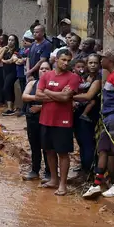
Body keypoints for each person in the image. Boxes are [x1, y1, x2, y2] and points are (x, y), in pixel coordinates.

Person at [36, 48, 82, 196]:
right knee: (49, 150)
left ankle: (63, 184)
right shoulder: (47, 75)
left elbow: (65, 98)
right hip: (45, 119)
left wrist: (48, 92)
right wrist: (58, 94)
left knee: (62, 153)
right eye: (63, 60)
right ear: (56, 59)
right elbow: (38, 95)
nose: (66, 63)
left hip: (63, 121)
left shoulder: (73, 77)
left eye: (68, 61)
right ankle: (54, 180)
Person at [72, 54, 101, 178]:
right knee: (80, 141)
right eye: (90, 63)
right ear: (87, 64)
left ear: (99, 64)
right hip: (78, 112)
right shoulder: (84, 77)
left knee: (88, 141)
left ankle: (89, 170)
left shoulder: (98, 79)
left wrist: (68, 96)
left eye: (95, 63)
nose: (93, 65)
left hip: (90, 114)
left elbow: (89, 96)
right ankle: (84, 165)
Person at [21, 64, 49, 182]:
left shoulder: (52, 84)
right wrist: (37, 97)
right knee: (34, 145)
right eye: (41, 68)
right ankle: (35, 170)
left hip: (47, 119)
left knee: (47, 146)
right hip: (32, 119)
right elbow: (24, 96)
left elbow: (54, 100)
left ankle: (49, 172)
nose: (43, 70)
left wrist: (41, 107)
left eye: (46, 68)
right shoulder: (32, 83)